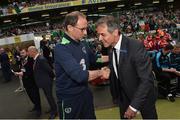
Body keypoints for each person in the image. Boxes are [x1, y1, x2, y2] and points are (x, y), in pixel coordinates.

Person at [95, 15, 158, 119]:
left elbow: (146, 80)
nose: (99, 38)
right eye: (99, 35)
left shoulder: (135, 46)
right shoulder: (110, 48)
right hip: (123, 96)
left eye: (102, 34)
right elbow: (122, 66)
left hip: (144, 95)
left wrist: (133, 107)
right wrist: (110, 69)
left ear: (115, 32)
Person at [54, 11, 109, 119]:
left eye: (86, 29)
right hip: (69, 98)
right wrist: (101, 72)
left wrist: (115, 55)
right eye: (82, 29)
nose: (85, 33)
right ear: (70, 27)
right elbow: (80, 75)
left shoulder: (82, 43)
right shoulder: (61, 48)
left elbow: (95, 59)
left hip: (85, 93)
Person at [28, 46, 57, 119]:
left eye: (29, 52)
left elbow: (49, 70)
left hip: (46, 82)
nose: (28, 53)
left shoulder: (41, 59)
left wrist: (52, 77)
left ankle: (55, 111)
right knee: (48, 97)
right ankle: (52, 108)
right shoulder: (36, 59)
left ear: (33, 51)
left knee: (50, 97)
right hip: (43, 82)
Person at [13, 48, 41, 117]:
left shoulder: (31, 59)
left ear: (27, 53)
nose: (21, 54)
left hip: (32, 81)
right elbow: (21, 68)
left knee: (35, 96)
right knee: (30, 96)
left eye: (23, 53)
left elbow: (32, 71)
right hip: (25, 81)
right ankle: (35, 106)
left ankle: (39, 110)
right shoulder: (22, 60)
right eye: (21, 53)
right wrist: (18, 72)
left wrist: (23, 74)